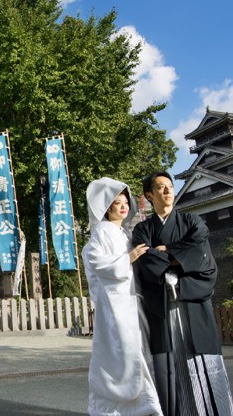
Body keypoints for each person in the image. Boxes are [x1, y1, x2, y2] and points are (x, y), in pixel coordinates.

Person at [132, 171, 233, 416]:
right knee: (171, 363)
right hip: (163, 305)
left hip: (193, 301)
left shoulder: (193, 222)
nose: (168, 191)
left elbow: (203, 256)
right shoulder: (143, 229)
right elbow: (145, 262)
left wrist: (166, 251)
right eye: (160, 188)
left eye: (170, 186)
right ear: (149, 195)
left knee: (202, 359)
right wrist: (179, 259)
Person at [82, 177, 162, 416]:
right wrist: (127, 259)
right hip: (115, 304)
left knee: (136, 351)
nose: (124, 206)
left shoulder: (125, 233)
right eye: (117, 203)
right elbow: (96, 262)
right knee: (122, 354)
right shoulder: (102, 232)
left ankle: (145, 404)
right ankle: (118, 407)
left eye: (126, 202)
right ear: (107, 208)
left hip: (131, 300)